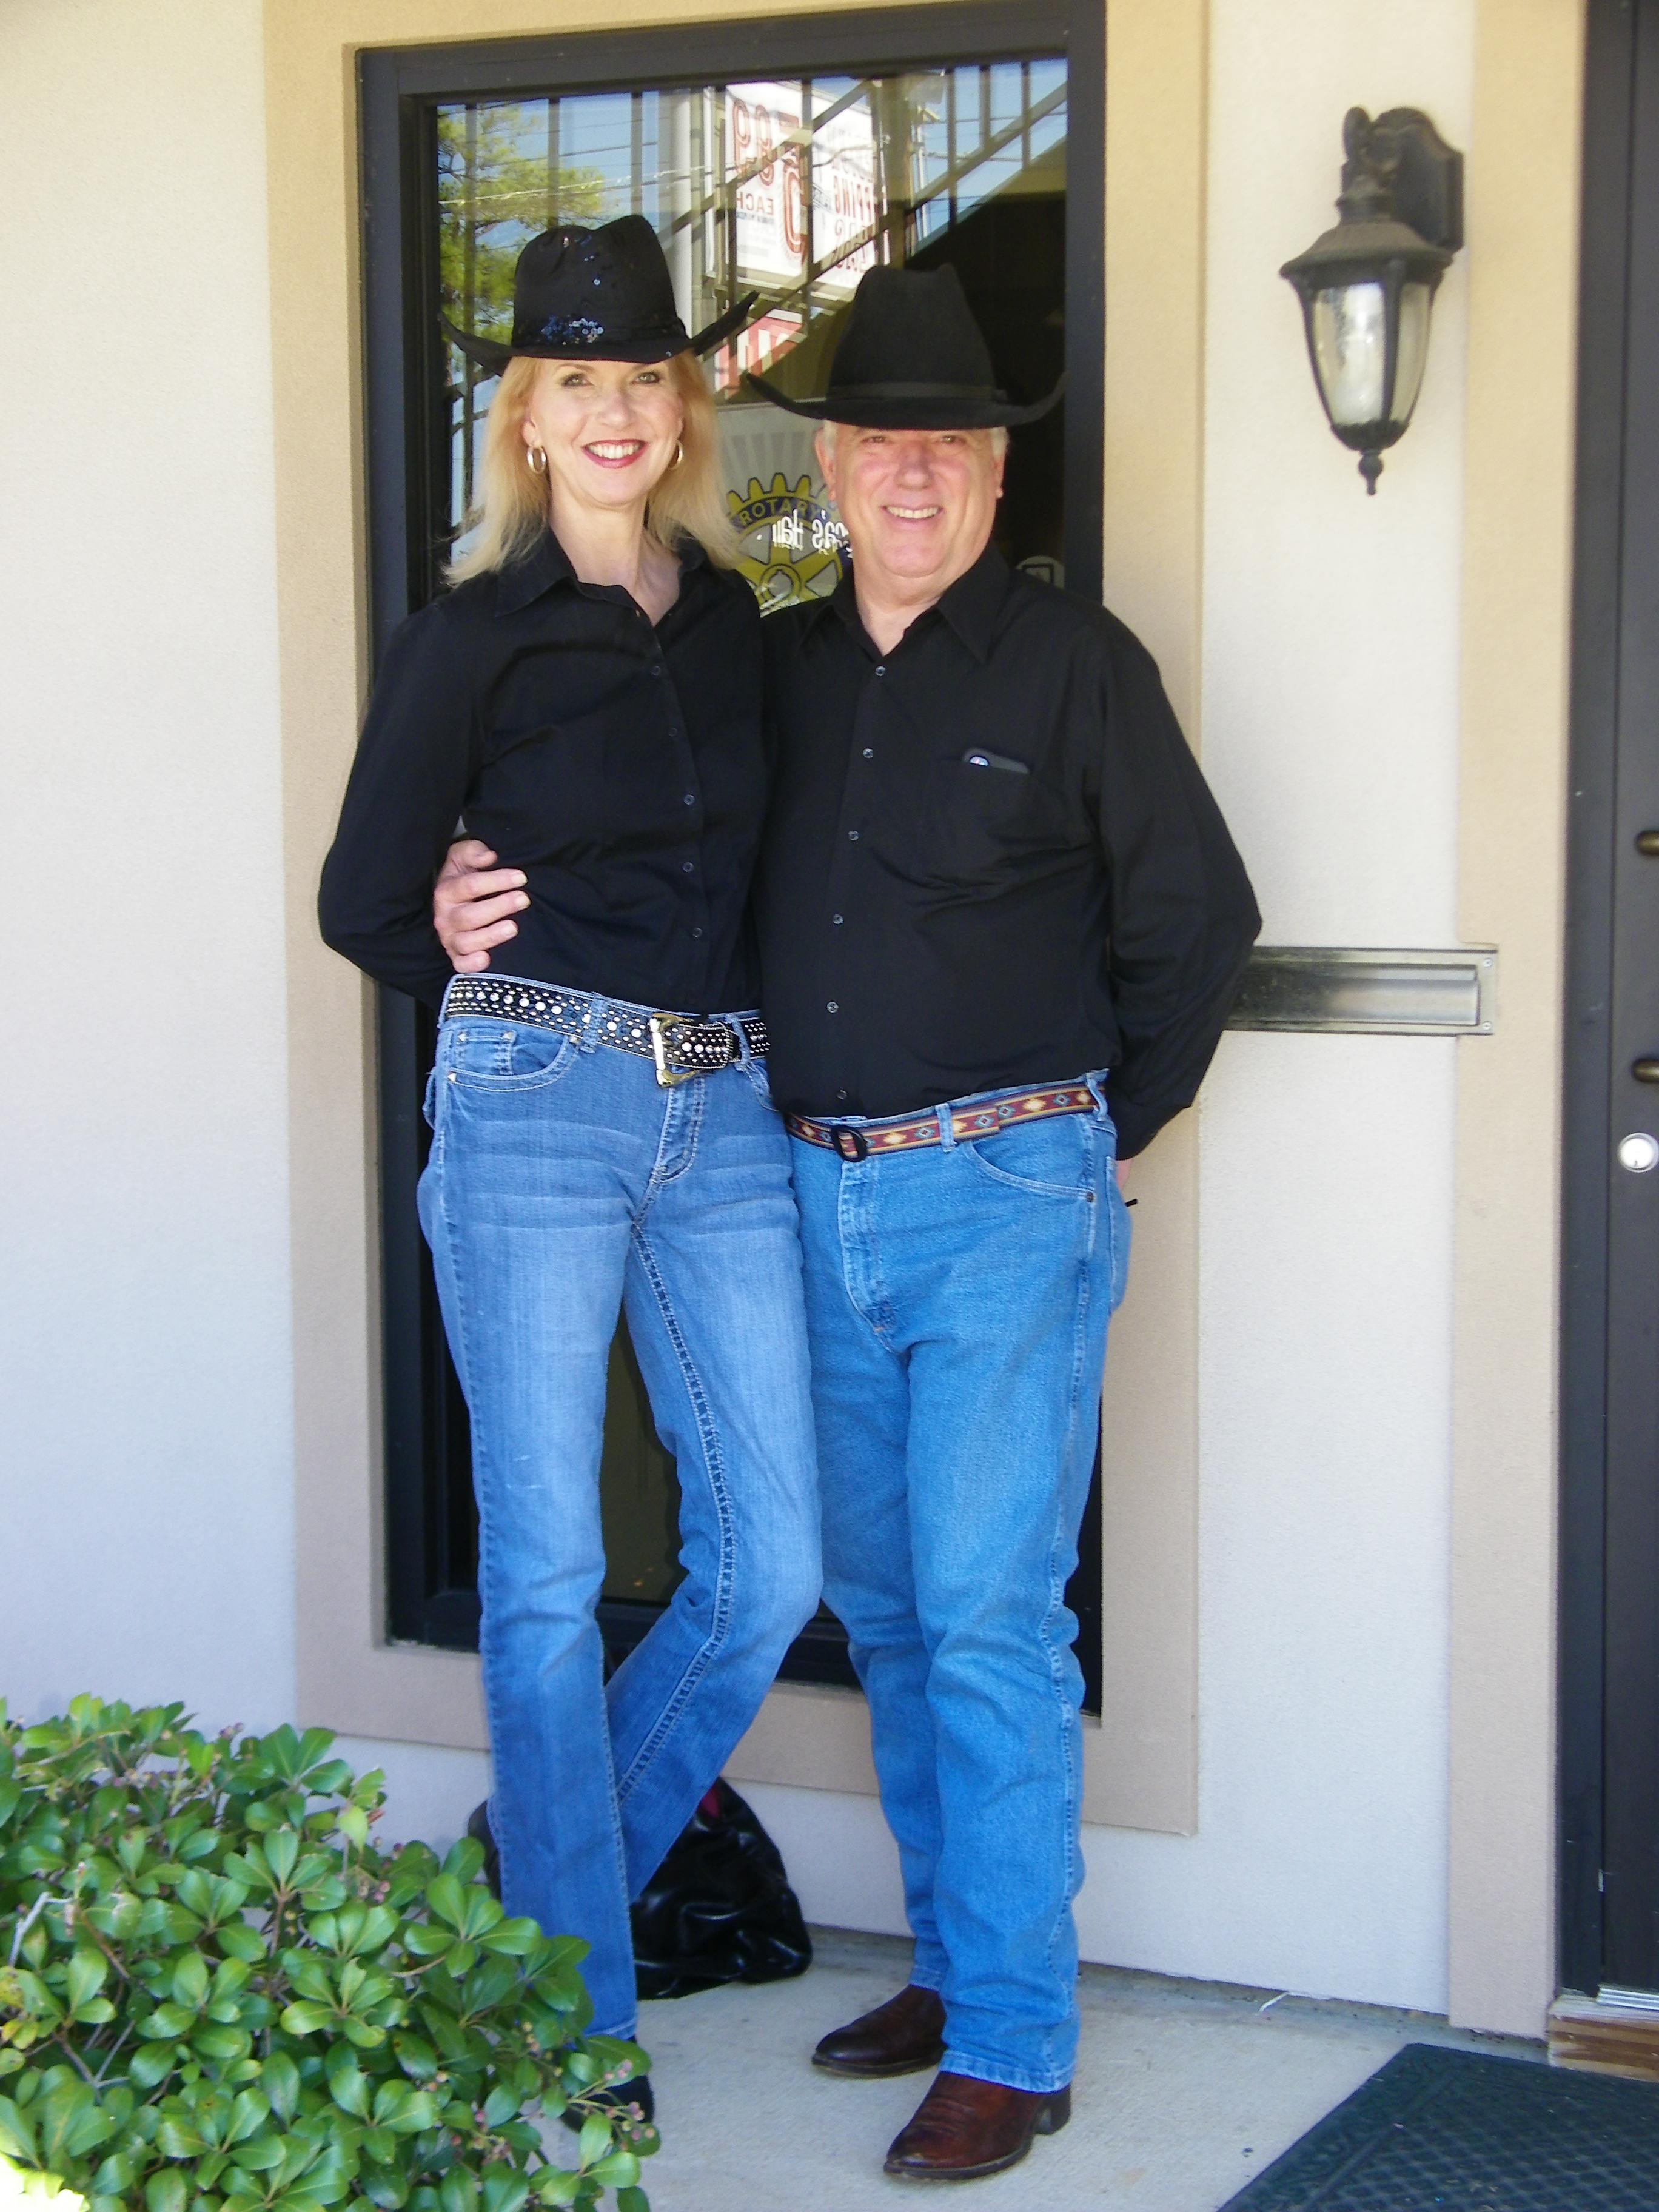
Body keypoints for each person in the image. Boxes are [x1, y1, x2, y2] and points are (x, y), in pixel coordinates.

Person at [435, 262, 1259, 2182]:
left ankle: (1014, 2037)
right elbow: (635, 830)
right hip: (800, 1190)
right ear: (828, 461)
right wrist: (464, 890)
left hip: (1004, 1198)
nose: (911, 470)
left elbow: (1199, 930)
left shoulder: (1078, 669)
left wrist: (1080, 1137)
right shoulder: (775, 666)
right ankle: (957, 1969)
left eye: (949, 443)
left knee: (985, 1619)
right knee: (883, 1609)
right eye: (879, 438)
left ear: (997, 470)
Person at [317, 217, 822, 2124]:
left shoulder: (736, 627)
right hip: (538, 1094)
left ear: (683, 408)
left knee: (768, 1566)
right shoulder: (470, 637)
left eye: (644, 379)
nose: (615, 413)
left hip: (728, 1107)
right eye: (576, 382)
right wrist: (451, 927)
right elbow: (365, 899)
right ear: (527, 418)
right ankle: (577, 2025)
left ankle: (533, 1897)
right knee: (541, 1576)